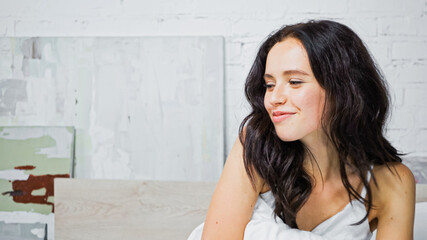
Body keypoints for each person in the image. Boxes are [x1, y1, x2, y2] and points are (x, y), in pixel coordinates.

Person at [195, 20, 416, 239]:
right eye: (269, 85)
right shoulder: (256, 144)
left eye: (294, 82)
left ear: (342, 89)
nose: (274, 98)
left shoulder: (392, 183)